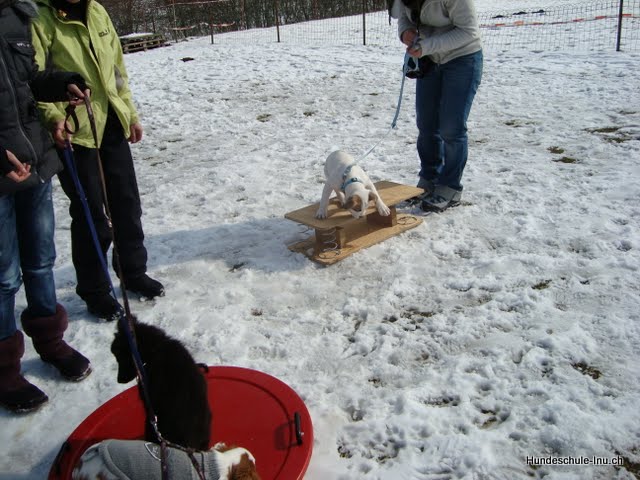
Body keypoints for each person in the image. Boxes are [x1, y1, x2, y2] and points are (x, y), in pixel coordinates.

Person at [31, 0, 164, 322]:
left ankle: (133, 271)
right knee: (91, 214)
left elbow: (117, 69)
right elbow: (32, 78)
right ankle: (95, 290)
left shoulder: (97, 11)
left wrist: (130, 113)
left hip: (112, 124)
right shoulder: (41, 17)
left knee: (127, 205)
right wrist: (54, 117)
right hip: (74, 132)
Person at [1, 0, 91, 413]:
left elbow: (29, 81)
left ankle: (51, 342)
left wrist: (63, 82)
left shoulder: (17, 15)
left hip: (34, 161)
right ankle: (5, 368)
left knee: (40, 261)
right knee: (4, 276)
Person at [390, 0, 483, 212]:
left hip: (462, 59)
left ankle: (450, 187)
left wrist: (427, 46)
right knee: (426, 124)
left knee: (451, 128)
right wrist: (406, 32)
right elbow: (403, 15)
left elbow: (469, 32)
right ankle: (429, 179)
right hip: (430, 59)